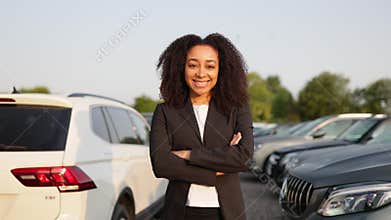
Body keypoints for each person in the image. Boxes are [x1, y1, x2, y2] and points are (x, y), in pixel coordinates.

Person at [150, 33, 254, 220]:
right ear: (181, 68)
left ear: (221, 70)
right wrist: (217, 168)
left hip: (227, 212)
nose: (201, 73)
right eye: (192, 65)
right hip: (179, 211)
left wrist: (188, 154)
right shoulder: (165, 112)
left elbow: (244, 157)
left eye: (210, 66)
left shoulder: (237, 109)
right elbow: (161, 164)